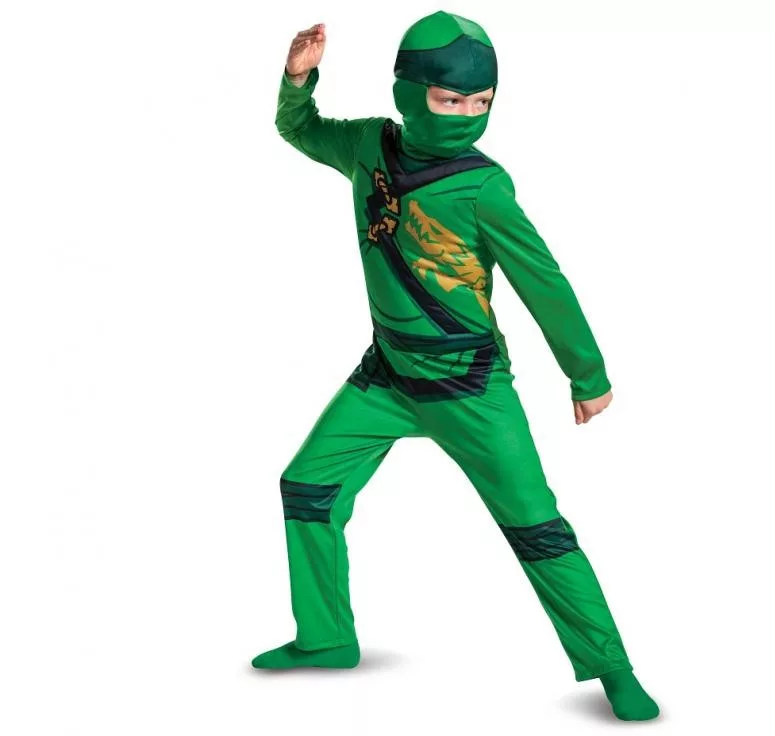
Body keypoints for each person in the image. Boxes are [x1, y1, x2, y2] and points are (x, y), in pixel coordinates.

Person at [252, 10, 660, 722]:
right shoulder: (367, 146)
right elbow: (300, 129)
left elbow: (543, 281)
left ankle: (613, 667)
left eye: (481, 102)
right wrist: (296, 79)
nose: (467, 116)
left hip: (470, 387)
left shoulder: (483, 188)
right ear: (409, 94)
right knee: (308, 485)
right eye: (450, 100)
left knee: (537, 528)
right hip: (387, 375)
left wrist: (587, 373)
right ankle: (325, 637)